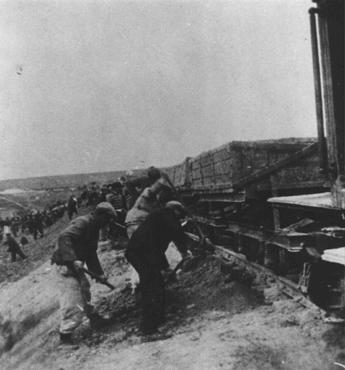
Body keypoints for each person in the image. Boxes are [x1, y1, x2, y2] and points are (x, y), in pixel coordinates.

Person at [51, 202, 117, 344]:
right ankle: (65, 336)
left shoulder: (94, 228)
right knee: (73, 301)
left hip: (76, 267)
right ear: (100, 215)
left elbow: (91, 253)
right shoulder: (83, 222)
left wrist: (99, 274)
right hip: (65, 268)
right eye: (108, 218)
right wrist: (73, 259)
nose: (109, 222)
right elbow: (64, 237)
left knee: (85, 292)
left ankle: (94, 319)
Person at [125, 201, 190, 335]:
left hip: (140, 253)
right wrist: (184, 251)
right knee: (151, 288)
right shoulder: (167, 216)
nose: (179, 219)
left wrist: (164, 266)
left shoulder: (158, 216)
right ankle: (148, 329)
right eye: (180, 216)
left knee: (157, 284)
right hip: (142, 254)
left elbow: (155, 244)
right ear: (176, 211)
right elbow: (177, 232)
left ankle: (158, 319)